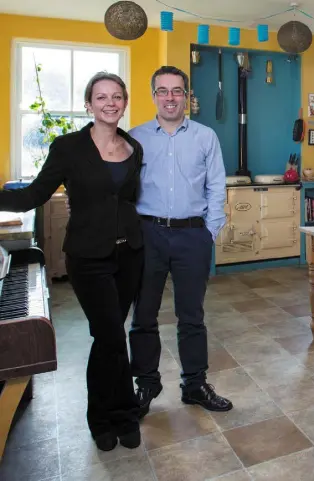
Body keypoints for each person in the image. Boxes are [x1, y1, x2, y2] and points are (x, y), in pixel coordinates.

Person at [0, 72, 144, 451]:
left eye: (117, 96)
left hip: (129, 254)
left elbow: (129, 200)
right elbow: (32, 195)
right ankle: (112, 416)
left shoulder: (134, 148)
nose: (110, 103)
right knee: (110, 334)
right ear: (88, 104)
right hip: (87, 257)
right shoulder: (67, 147)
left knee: (109, 337)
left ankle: (115, 414)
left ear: (124, 103)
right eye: (101, 97)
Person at [128, 66, 232, 416]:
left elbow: (217, 185)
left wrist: (209, 231)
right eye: (163, 91)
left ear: (187, 96)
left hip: (192, 235)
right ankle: (145, 384)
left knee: (192, 315)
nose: (170, 97)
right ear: (154, 95)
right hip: (148, 235)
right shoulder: (135, 138)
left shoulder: (205, 137)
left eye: (177, 90)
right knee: (143, 315)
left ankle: (195, 384)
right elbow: (120, 187)